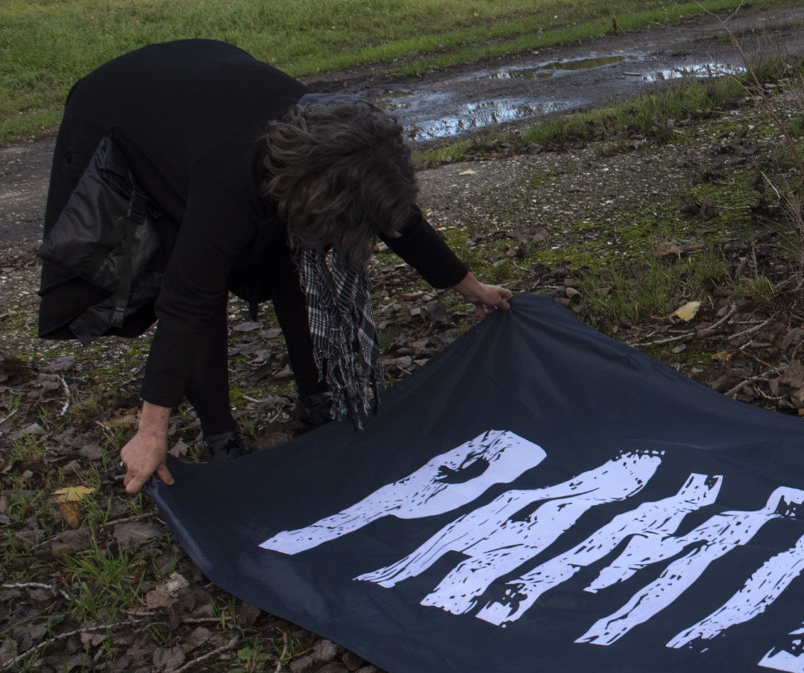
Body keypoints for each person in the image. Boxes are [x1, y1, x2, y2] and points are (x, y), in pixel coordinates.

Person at [37, 39, 511, 494]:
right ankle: (222, 436)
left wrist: (470, 287)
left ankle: (316, 396)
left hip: (210, 87)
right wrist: (151, 429)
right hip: (120, 109)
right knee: (199, 272)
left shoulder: (347, 146)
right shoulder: (229, 180)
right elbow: (185, 303)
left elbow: (397, 218)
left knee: (293, 253)